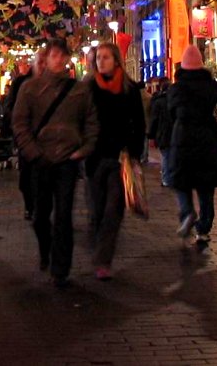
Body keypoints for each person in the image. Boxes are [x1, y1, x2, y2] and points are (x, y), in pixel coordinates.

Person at [12, 38, 99, 288]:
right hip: (40, 160)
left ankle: (61, 268)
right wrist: (33, 152)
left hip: (67, 161)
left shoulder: (79, 90)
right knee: (40, 216)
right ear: (46, 59)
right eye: (54, 55)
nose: (59, 60)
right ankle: (45, 250)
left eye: (63, 55)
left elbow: (91, 122)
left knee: (63, 215)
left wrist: (83, 149)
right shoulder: (30, 89)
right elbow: (20, 123)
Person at [84, 41, 146, 280]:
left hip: (120, 157)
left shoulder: (128, 89)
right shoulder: (88, 88)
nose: (101, 61)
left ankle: (103, 260)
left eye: (106, 57)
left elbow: (138, 123)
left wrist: (134, 151)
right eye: (98, 57)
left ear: (116, 60)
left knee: (114, 210)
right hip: (95, 157)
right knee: (96, 211)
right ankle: (97, 247)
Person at [168, 44, 217, 247]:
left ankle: (187, 212)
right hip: (208, 136)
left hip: (183, 138)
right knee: (206, 188)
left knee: (181, 181)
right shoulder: (212, 86)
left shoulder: (176, 87)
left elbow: (171, 113)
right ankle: (203, 229)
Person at [5, 50, 41, 219]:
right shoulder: (21, 83)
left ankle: (42, 208)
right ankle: (30, 205)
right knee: (26, 176)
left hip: (50, 140)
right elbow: (10, 108)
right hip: (26, 137)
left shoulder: (58, 83)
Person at [147, 79, 173, 187]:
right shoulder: (175, 100)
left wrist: (151, 136)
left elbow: (154, 120)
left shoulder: (158, 102)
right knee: (171, 155)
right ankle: (171, 177)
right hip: (175, 132)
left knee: (165, 156)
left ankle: (166, 179)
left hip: (163, 132)